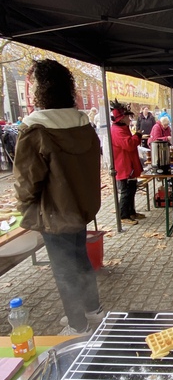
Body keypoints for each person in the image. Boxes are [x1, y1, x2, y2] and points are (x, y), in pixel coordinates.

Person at [13, 59, 102, 335]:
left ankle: (78, 326)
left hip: (55, 212)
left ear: (42, 90)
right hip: (81, 208)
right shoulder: (83, 124)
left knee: (64, 270)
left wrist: (22, 204)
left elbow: (27, 182)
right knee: (80, 259)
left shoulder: (36, 131)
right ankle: (93, 310)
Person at [110, 99, 145, 226]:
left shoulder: (122, 128)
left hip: (128, 164)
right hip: (123, 165)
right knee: (126, 191)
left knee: (132, 189)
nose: (130, 119)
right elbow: (129, 144)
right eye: (127, 117)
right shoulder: (117, 130)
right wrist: (138, 136)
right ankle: (123, 215)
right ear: (122, 118)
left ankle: (131, 212)